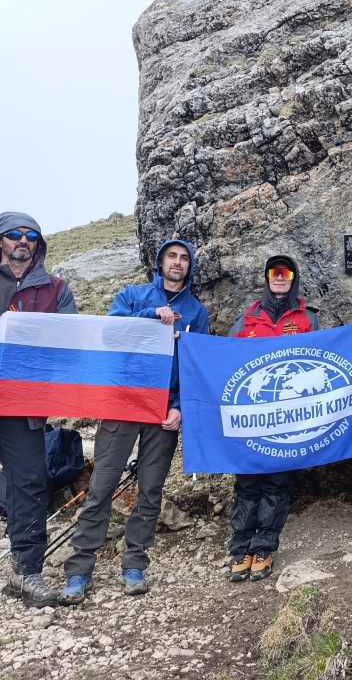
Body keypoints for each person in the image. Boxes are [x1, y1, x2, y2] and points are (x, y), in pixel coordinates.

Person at [58, 240, 209, 605]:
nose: (178, 262)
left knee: (151, 490)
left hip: (163, 412)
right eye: (171, 256)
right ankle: (79, 571)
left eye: (184, 258)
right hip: (123, 403)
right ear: (160, 262)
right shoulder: (133, 295)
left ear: (190, 267)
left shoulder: (196, 311)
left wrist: (181, 408)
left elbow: (195, 364)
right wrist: (149, 318)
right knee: (102, 486)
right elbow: (109, 332)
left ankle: (134, 564)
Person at [0, 212, 77, 607]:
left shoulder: (56, 289)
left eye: (31, 235)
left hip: (22, 406)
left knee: (29, 482)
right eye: (15, 234)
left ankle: (26, 573)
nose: (23, 240)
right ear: (1, 240)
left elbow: (73, 342)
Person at [226, 255, 320, 581]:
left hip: (287, 420)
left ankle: (264, 547)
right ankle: (241, 548)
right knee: (247, 482)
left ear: (293, 278)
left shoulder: (308, 319)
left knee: (276, 484)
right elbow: (223, 365)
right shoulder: (245, 321)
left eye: (286, 272)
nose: (279, 277)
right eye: (274, 272)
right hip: (251, 419)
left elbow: (322, 360)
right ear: (266, 277)